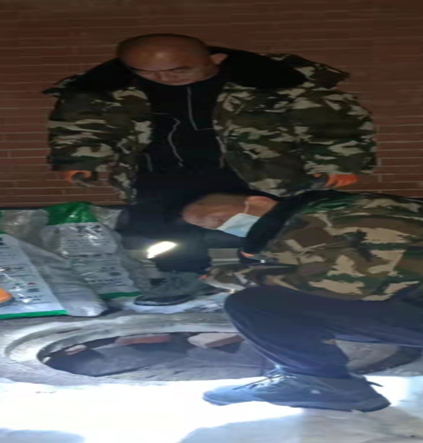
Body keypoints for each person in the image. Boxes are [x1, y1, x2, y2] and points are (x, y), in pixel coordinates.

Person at [46, 34, 376, 304]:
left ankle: (274, 275)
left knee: (268, 221)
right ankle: (182, 275)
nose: (164, 79)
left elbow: (331, 123)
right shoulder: (104, 90)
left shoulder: (274, 82)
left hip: (257, 168)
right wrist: (79, 160)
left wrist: (338, 162)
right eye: (149, 73)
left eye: (178, 70)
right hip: (158, 170)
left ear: (216, 59)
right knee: (161, 227)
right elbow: (83, 127)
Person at [179, 190, 423, 412]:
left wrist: (229, 276)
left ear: (259, 201)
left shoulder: (319, 225)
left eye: (218, 218)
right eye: (209, 226)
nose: (221, 227)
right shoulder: (354, 206)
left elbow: (342, 286)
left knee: (257, 305)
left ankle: (319, 384)